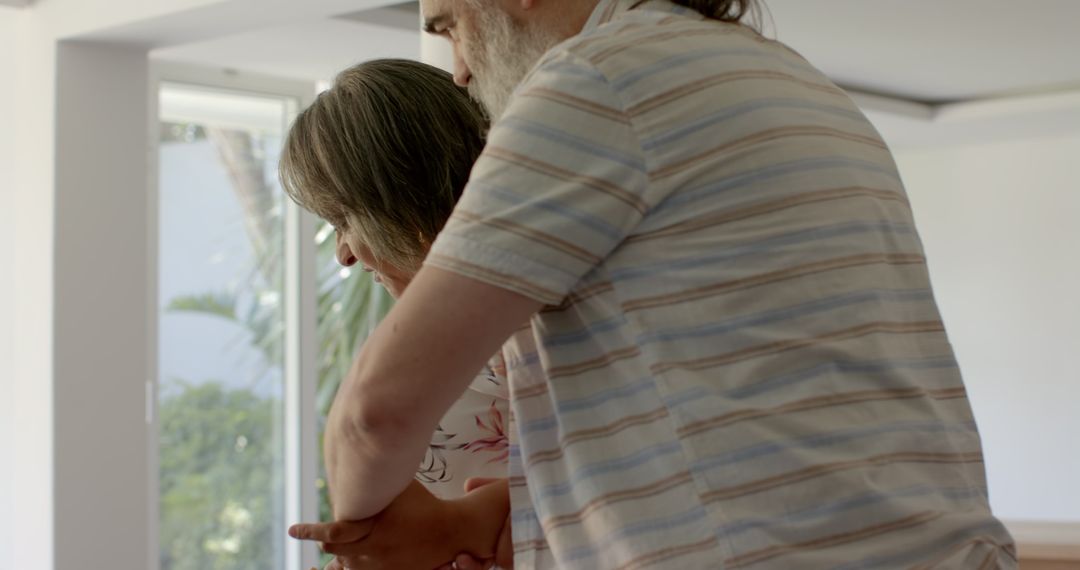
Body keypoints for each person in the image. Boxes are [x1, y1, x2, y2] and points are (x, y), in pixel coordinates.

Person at [295, 0, 1018, 568]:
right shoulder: (797, 82)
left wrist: (367, 531)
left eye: (450, 26)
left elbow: (374, 415)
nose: (458, 70)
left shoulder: (593, 80)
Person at [279, 58, 521, 569]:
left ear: (401, 202)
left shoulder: (521, 318)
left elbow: (369, 423)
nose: (343, 254)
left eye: (344, 219)